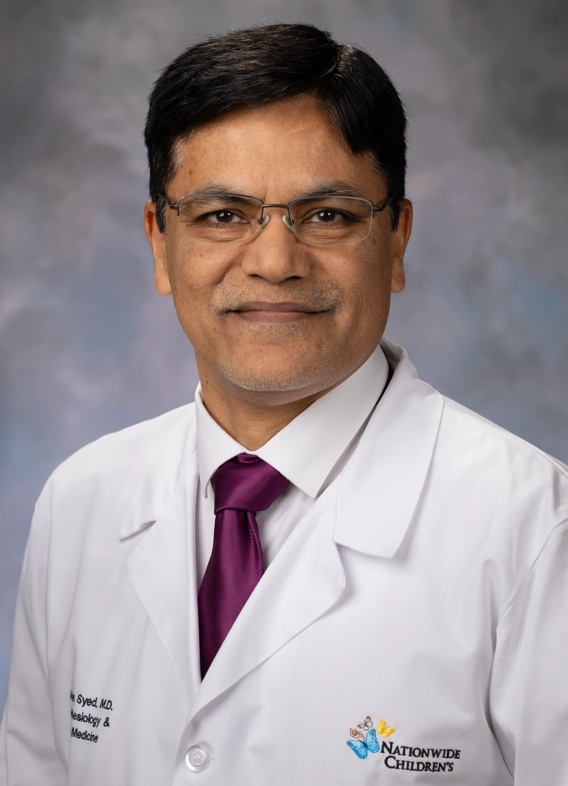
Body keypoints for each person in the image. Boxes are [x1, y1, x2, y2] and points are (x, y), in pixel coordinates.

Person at [1, 22, 567, 786]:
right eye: (222, 215)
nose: (273, 262)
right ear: (159, 243)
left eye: (328, 214)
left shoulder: (535, 529)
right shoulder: (81, 503)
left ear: (395, 240)